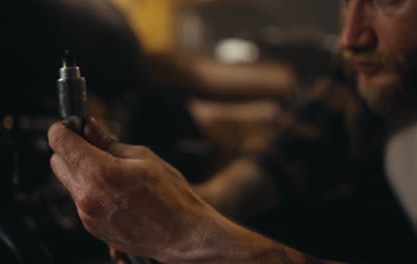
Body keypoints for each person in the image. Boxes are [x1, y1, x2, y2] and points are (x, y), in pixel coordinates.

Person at [48, 0, 417, 263]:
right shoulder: (368, 71)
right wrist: (181, 204)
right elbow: (299, 143)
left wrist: (195, 238)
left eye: (389, 2)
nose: (350, 37)